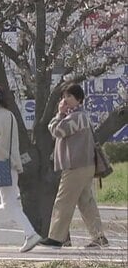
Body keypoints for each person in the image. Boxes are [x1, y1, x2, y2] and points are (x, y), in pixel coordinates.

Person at [0, 84, 42, 253]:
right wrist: (18, 164)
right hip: (10, 165)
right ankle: (30, 233)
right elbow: (14, 143)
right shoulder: (10, 116)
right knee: (11, 204)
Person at [39, 83, 108, 248]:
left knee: (63, 201)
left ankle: (56, 238)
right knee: (86, 202)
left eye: (69, 96)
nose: (65, 100)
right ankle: (99, 236)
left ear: (79, 99)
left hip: (75, 166)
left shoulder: (75, 117)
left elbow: (56, 131)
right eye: (64, 97)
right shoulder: (82, 116)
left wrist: (59, 114)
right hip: (86, 164)